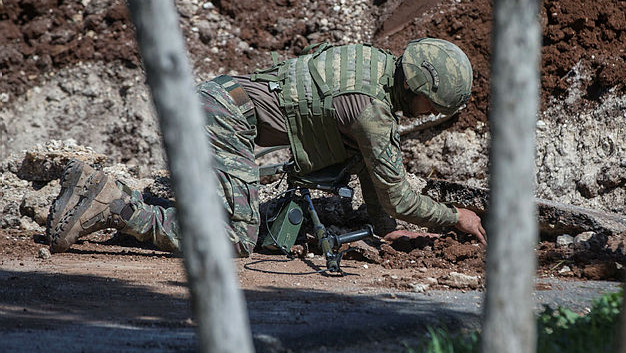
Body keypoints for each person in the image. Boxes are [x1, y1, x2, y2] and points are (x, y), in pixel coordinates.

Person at [47, 37, 487, 256]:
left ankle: (96, 191)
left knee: (227, 217)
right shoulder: (373, 112)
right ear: (420, 87)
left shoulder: (371, 66)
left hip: (215, 102)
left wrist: (385, 227)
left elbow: (368, 165)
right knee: (238, 239)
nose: (428, 113)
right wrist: (455, 217)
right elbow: (396, 190)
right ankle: (114, 204)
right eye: (432, 105)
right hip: (221, 117)